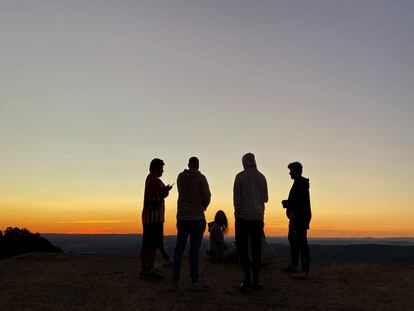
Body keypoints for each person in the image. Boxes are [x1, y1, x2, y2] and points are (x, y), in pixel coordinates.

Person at [172, 157, 212, 290]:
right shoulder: (201, 179)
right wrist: (203, 206)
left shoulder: (180, 177)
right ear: (198, 165)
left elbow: (181, 194)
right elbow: (207, 196)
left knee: (179, 249)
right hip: (196, 217)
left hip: (182, 217)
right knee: (194, 250)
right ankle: (195, 280)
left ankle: (174, 281)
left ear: (188, 164)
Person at [233, 153, 268, 292]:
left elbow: (237, 199)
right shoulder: (262, 177)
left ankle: (247, 279)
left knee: (243, 249)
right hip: (258, 218)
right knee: (256, 250)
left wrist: (238, 213)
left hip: (243, 218)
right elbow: (265, 198)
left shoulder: (240, 176)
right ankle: (256, 281)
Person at [140, 158, 173, 281]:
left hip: (149, 217)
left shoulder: (148, 179)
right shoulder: (155, 181)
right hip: (154, 218)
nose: (163, 171)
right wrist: (166, 190)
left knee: (147, 244)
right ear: (156, 168)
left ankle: (145, 269)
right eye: (161, 168)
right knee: (152, 245)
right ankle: (148, 270)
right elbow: (162, 193)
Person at [282, 161, 312, 279]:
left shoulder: (300, 184)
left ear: (297, 171)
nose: (290, 173)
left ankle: (304, 270)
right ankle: (294, 264)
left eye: (291, 171)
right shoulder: (299, 183)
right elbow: (297, 201)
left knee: (301, 242)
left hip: (300, 218)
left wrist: (288, 204)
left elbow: (299, 202)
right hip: (297, 217)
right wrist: (289, 205)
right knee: (293, 240)